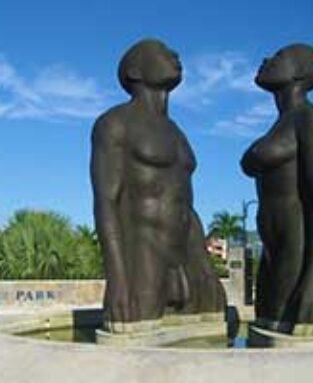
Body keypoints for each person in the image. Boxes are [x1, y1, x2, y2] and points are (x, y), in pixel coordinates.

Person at [91, 39, 225, 331]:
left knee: (204, 342)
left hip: (187, 253)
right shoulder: (115, 123)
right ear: (135, 71)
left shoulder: (177, 132)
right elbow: (106, 202)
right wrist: (118, 279)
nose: (174, 55)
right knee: (135, 343)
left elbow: (185, 201)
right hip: (144, 252)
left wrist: (205, 263)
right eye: (163, 53)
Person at [241, 44, 313, 332]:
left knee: (291, 336)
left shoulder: (311, 119)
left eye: (278, 56)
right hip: (276, 248)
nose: (266, 59)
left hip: (305, 249)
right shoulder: (281, 125)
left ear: (299, 72)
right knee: (266, 328)